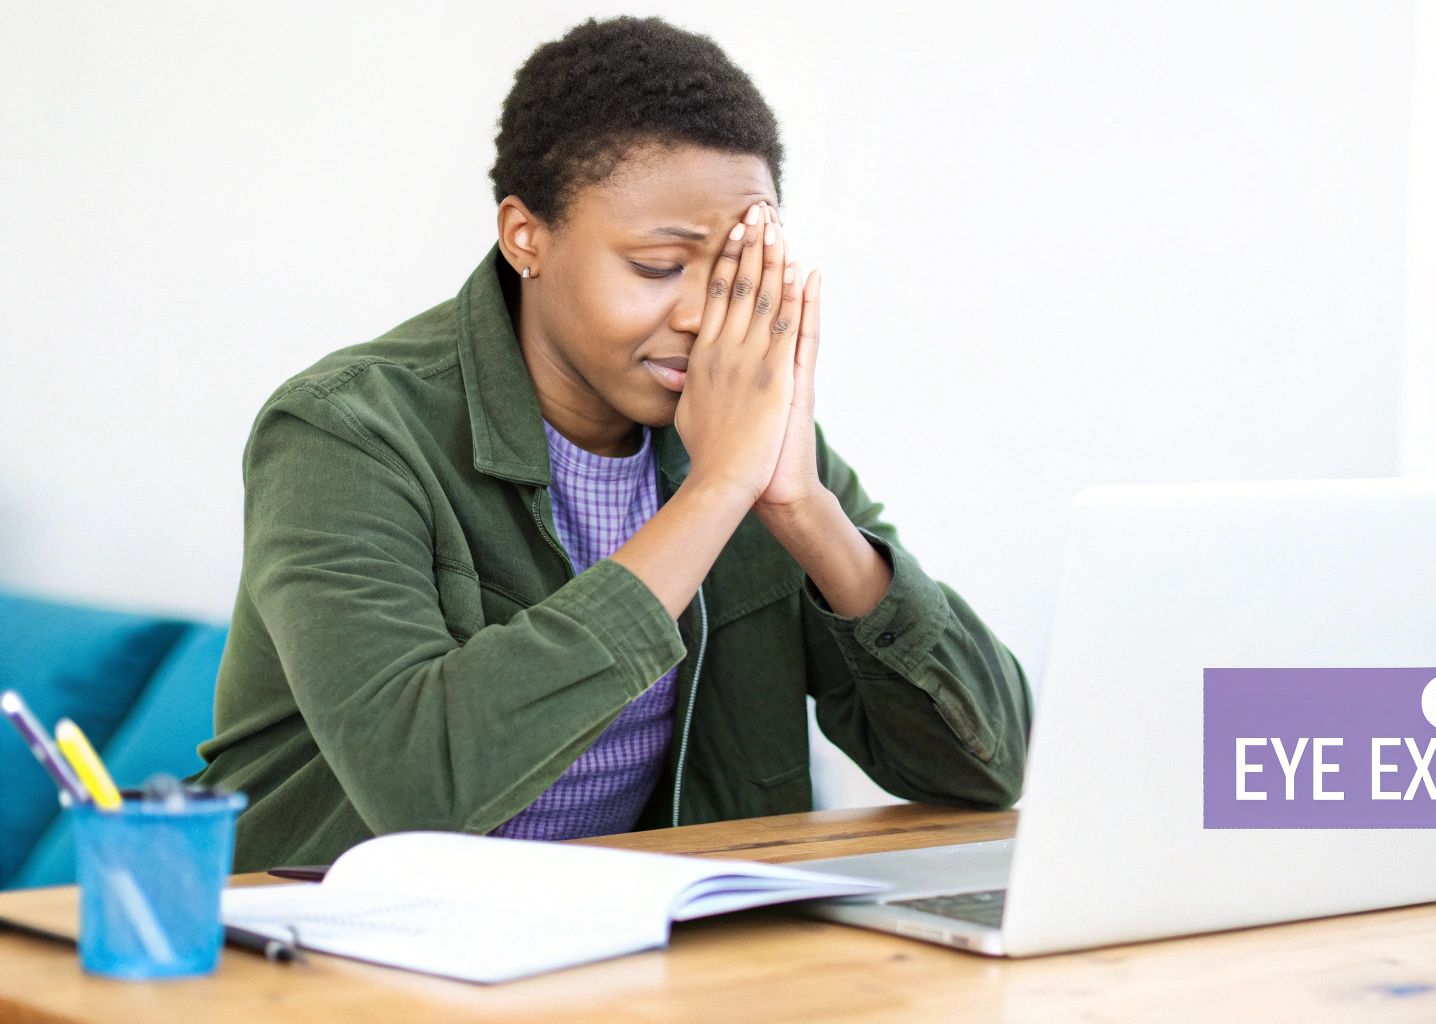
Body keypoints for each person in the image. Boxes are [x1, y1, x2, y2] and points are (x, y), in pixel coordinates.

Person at [193, 15, 1031, 871]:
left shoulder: (749, 437)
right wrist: (713, 496)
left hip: (637, 961)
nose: (706, 316)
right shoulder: (343, 433)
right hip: (334, 963)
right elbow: (425, 785)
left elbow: (986, 766)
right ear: (527, 237)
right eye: (659, 268)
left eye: (738, 271)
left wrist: (805, 510)